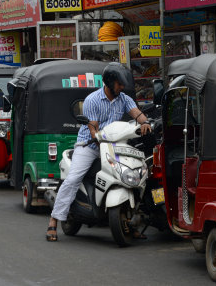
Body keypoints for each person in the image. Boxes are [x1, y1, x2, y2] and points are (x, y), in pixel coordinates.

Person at [46, 63, 152, 242]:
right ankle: (54, 220)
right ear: (110, 83)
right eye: (119, 84)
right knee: (73, 179)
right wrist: (96, 136)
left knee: (134, 175)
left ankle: (130, 221)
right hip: (90, 146)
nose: (122, 87)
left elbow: (137, 113)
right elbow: (93, 128)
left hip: (114, 146)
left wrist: (145, 122)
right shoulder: (92, 100)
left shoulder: (123, 98)